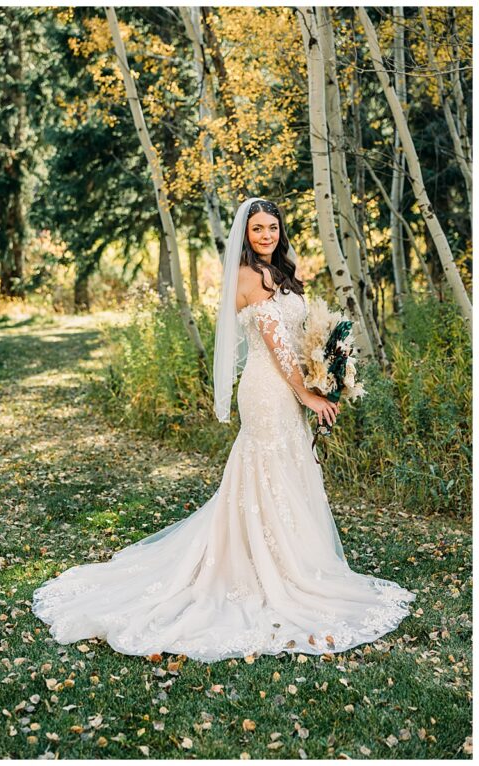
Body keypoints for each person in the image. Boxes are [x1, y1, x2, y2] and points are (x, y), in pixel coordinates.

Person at [31, 199, 414, 661]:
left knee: (289, 470)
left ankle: (292, 560)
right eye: (257, 229)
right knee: (268, 468)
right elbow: (277, 349)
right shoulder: (249, 277)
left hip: (290, 385)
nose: (267, 235)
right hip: (269, 390)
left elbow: (302, 338)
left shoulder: (284, 272)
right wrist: (308, 393)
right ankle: (264, 570)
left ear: (281, 231)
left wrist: (327, 372)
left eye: (273, 227)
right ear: (246, 235)